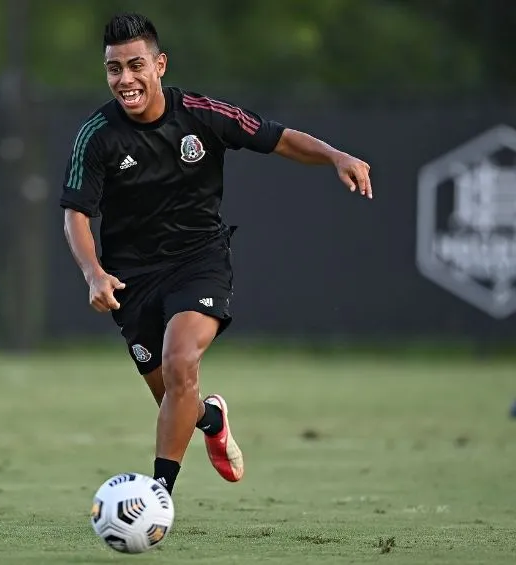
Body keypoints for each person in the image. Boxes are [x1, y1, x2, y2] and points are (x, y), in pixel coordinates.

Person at [59, 12, 372, 495]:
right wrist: (93, 272)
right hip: (132, 279)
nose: (126, 79)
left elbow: (277, 137)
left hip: (197, 261)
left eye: (136, 65)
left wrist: (337, 155)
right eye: (114, 69)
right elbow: (76, 214)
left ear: (160, 65)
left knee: (181, 363)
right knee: (175, 398)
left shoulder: (203, 114)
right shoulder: (96, 136)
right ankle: (212, 418)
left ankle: (157, 496)